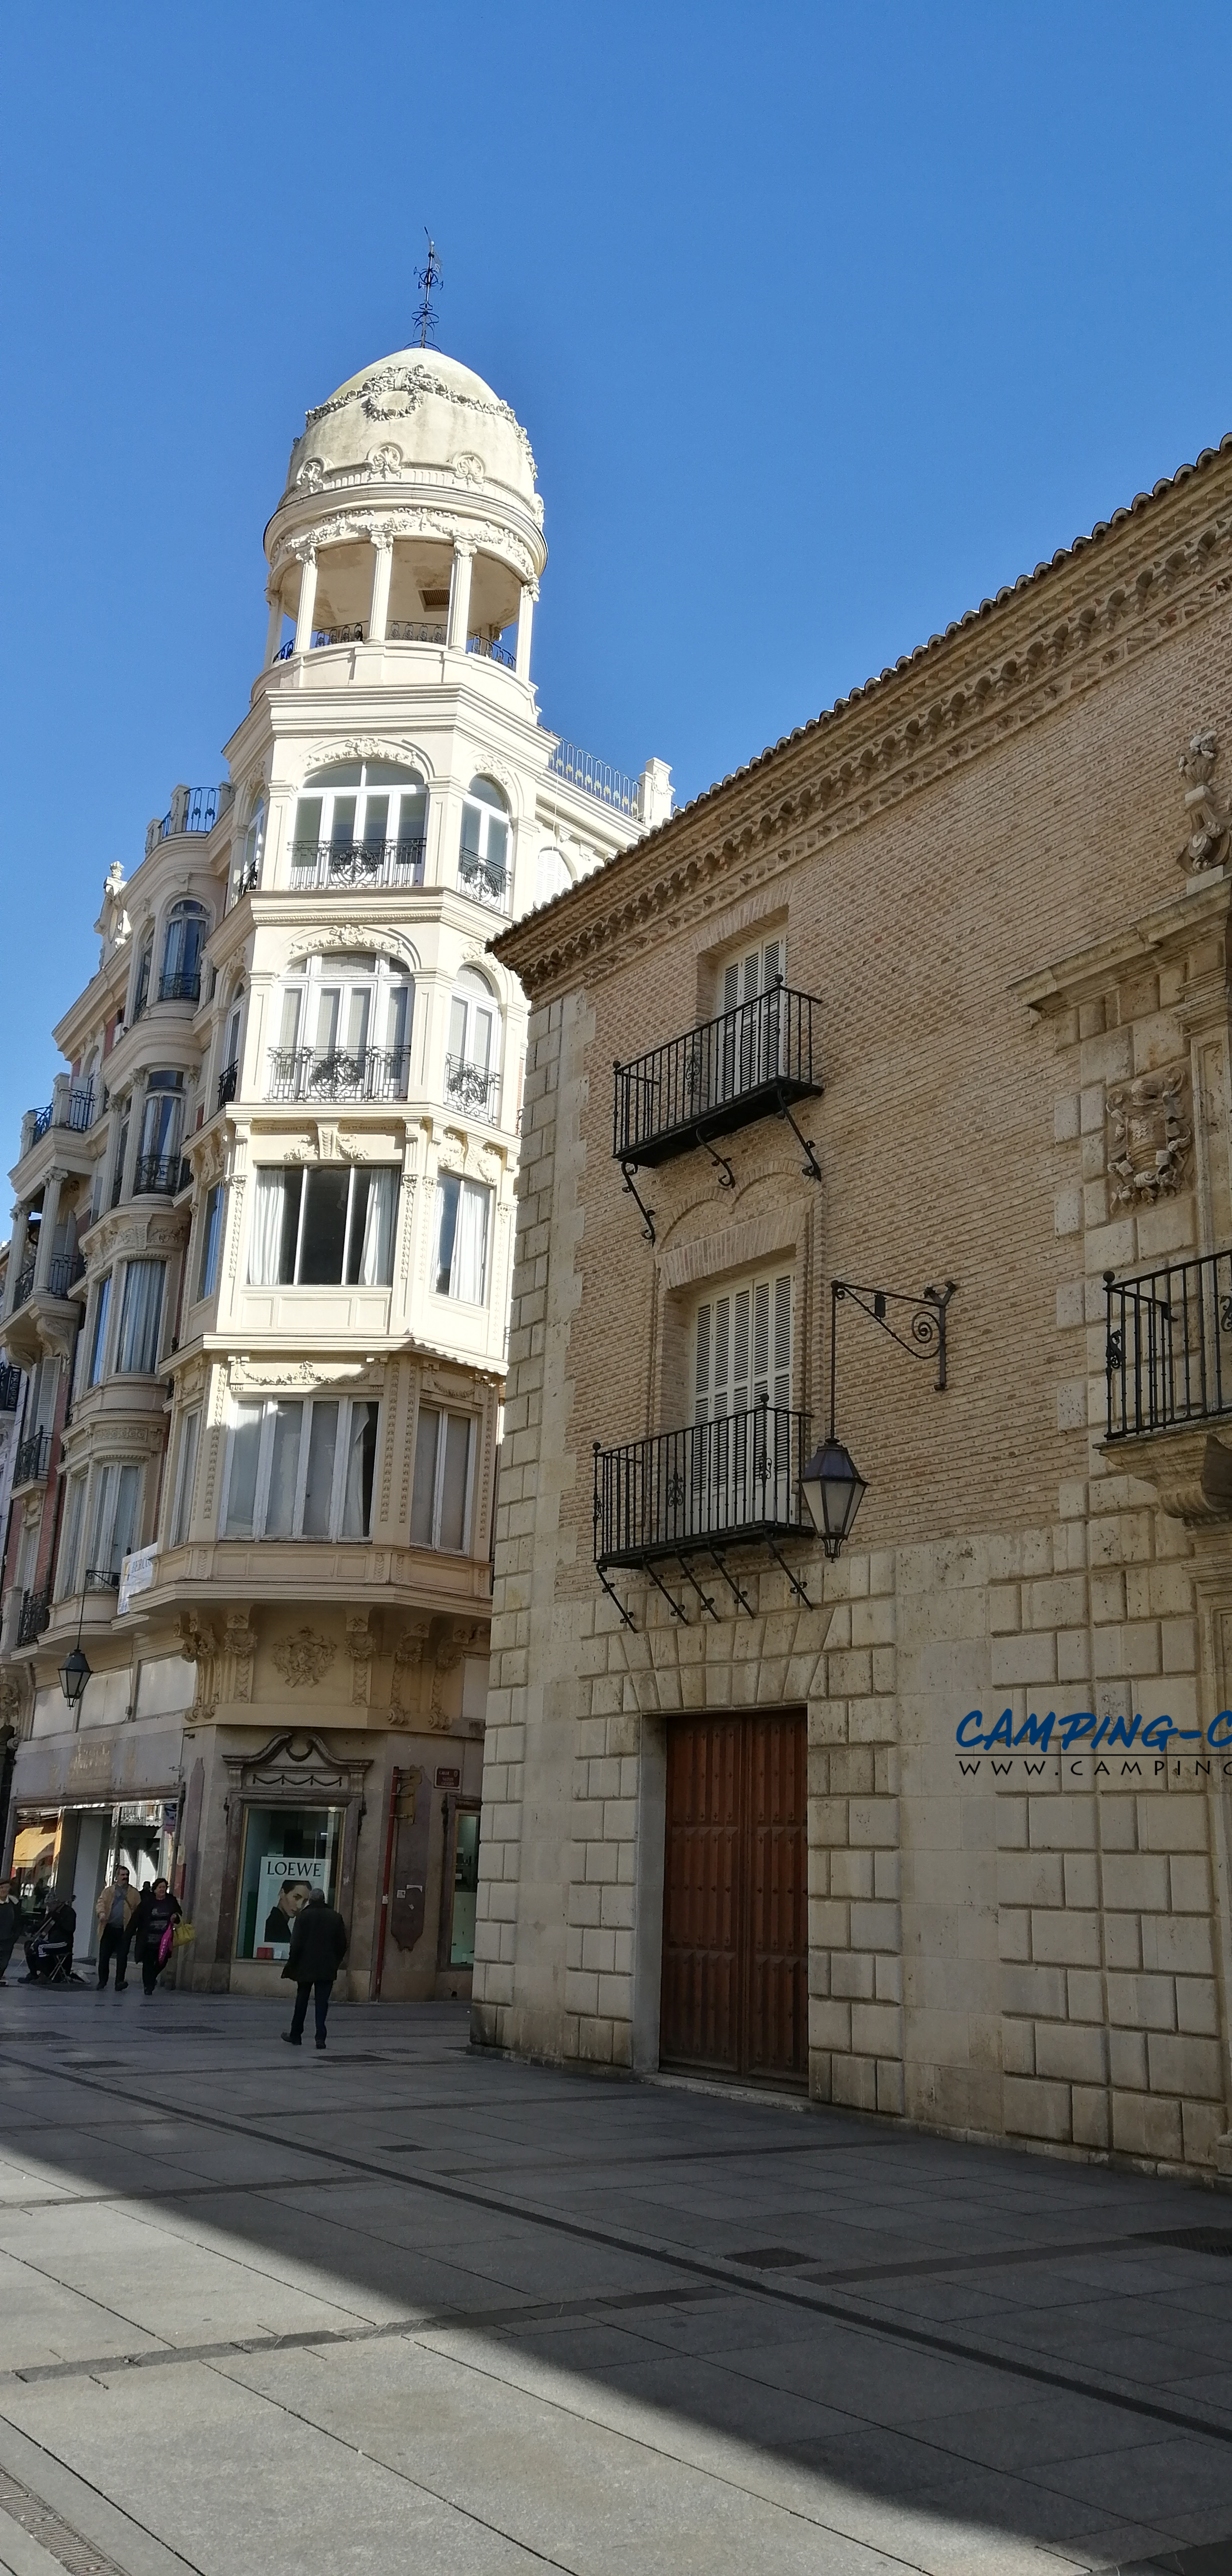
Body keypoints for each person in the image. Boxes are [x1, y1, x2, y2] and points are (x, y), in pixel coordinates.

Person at [281, 1887, 347, 2050]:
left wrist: (293, 1962)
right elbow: (342, 1944)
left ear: (310, 1900)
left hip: (305, 1966)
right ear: (324, 1900)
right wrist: (335, 1962)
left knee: (302, 2000)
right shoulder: (335, 1917)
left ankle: (296, 2035)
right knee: (322, 2003)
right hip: (327, 1967)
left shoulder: (303, 1917)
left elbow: (296, 1943)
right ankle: (320, 2038)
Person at [133, 1876, 181, 1996]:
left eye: (164, 1887)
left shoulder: (171, 1900)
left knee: (163, 1961)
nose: (162, 1890)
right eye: (160, 1887)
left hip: (164, 1939)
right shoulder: (148, 1901)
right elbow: (138, 1917)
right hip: (149, 1939)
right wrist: (131, 1931)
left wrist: (175, 1916)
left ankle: (152, 1977)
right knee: (148, 1963)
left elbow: (179, 1913)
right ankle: (148, 1986)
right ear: (155, 1889)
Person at [95, 1865, 139, 1991]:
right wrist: (102, 1914)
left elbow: (139, 1910)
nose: (125, 1877)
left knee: (122, 1957)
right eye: (122, 1875)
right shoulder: (108, 1891)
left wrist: (135, 1926)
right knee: (104, 1957)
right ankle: (102, 1981)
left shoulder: (134, 1893)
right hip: (109, 1928)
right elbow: (101, 1903)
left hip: (124, 1930)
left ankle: (119, 1982)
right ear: (117, 1877)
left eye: (127, 1875)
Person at [22, 1899, 76, 1982]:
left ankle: (45, 1975)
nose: (49, 1908)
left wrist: (59, 1920)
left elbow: (70, 1929)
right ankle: (33, 1973)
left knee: (40, 1947)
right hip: (52, 1941)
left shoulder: (69, 1912)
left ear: (56, 1903)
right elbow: (44, 1924)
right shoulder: (53, 1913)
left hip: (63, 1943)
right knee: (29, 1945)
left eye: (50, 1905)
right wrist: (32, 1929)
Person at [262, 1878, 313, 1946]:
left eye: (305, 1901)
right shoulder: (275, 1929)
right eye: (296, 1897)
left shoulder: (279, 1926)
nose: (300, 1906)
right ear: (282, 1893)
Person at [0, 1882, 20, 1983]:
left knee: (4, 1963)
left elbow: (19, 1921)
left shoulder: (14, 1903)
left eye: (6, 1888)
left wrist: (15, 1936)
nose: (3, 1890)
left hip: (8, 1939)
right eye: (1, 1888)